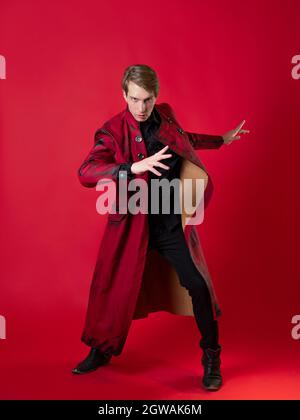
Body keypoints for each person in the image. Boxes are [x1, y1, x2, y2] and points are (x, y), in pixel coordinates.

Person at [72, 64, 250, 391]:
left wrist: (221, 140)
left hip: (168, 225)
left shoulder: (165, 116)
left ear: (156, 97)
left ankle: (212, 357)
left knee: (198, 286)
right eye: (135, 99)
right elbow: (86, 172)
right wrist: (130, 167)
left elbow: (185, 141)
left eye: (148, 100)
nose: (141, 108)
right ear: (124, 95)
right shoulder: (112, 130)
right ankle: (100, 350)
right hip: (130, 228)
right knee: (111, 291)